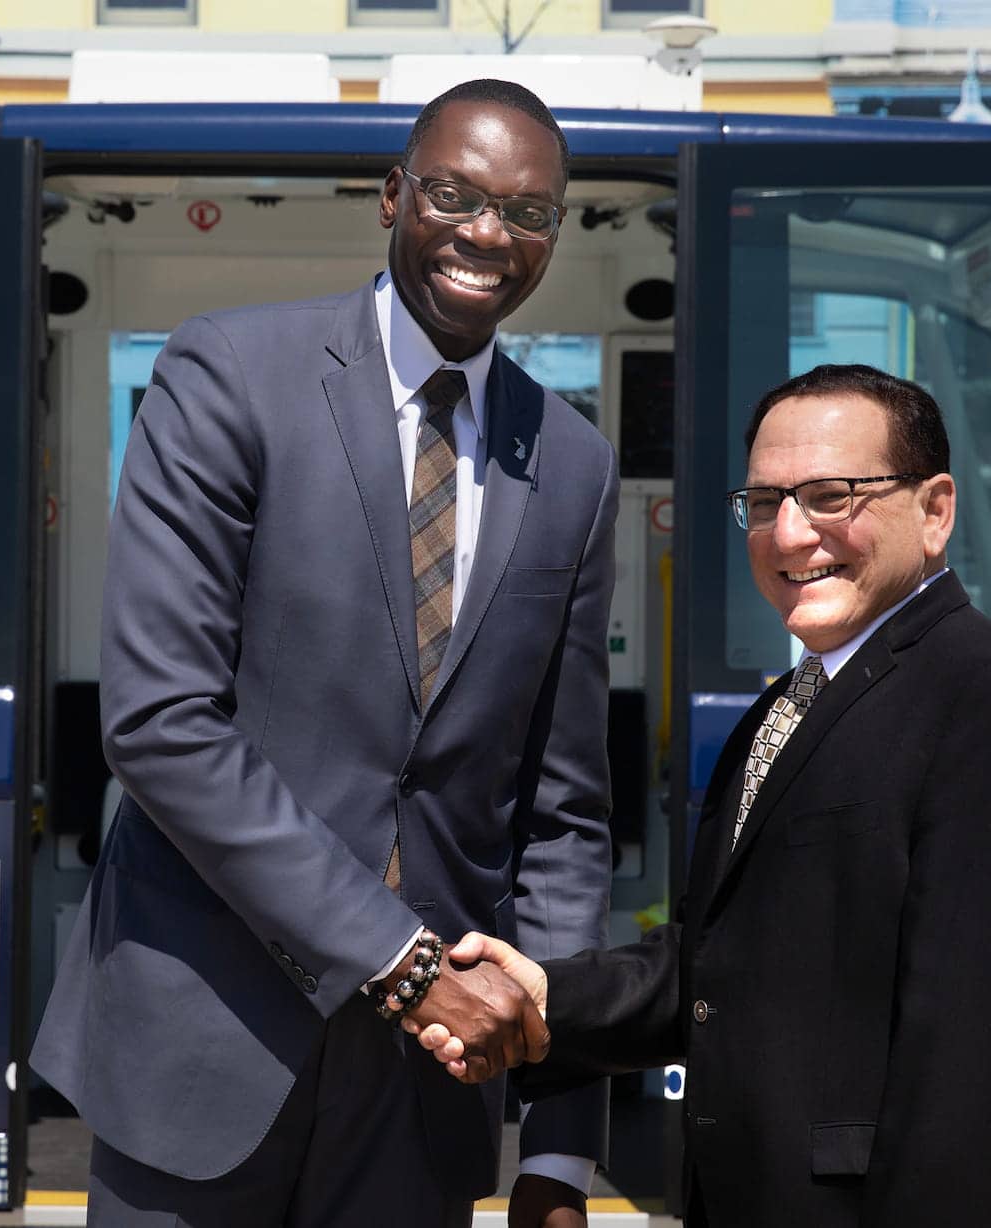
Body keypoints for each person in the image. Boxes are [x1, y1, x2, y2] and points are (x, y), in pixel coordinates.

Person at [30, 78, 616, 1227]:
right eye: (455, 194)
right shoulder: (229, 377)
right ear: (396, 195)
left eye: (530, 212)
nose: (489, 234)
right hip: (202, 1049)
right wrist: (399, 959)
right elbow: (159, 723)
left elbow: (563, 816)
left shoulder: (576, 464)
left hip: (428, 1102)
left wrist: (560, 1145)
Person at [419, 364, 991, 1228]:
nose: (789, 535)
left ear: (935, 511)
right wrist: (544, 996)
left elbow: (979, 1073)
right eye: (763, 502)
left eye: (830, 496)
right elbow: (729, 967)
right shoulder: (784, 709)